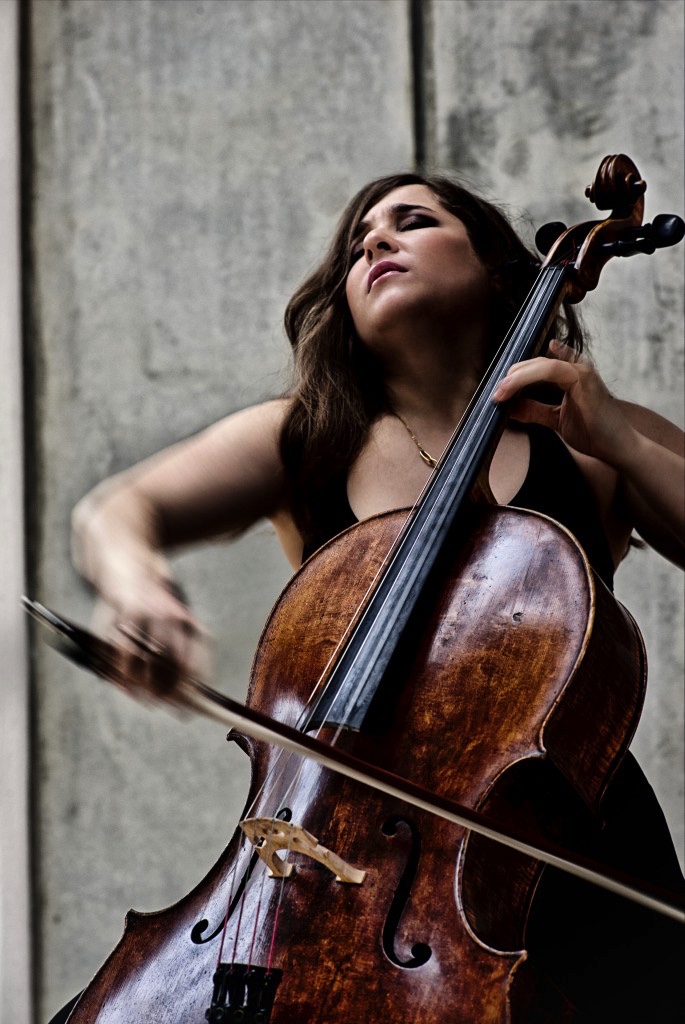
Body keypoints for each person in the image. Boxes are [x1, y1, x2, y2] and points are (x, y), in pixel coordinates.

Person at [62, 173, 683, 1021]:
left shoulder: (588, 441)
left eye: (412, 222)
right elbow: (117, 511)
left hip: (566, 856)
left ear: (500, 271)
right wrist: (138, 589)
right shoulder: (307, 437)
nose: (374, 243)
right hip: (319, 871)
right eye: (359, 242)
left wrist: (614, 434)